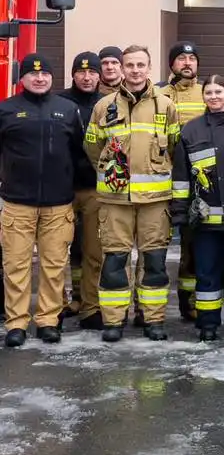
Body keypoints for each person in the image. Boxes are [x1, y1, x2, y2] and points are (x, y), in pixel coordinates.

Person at [84, 45, 182, 343]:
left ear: (149, 68)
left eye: (141, 65)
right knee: (115, 261)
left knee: (153, 261)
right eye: (130, 65)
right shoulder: (104, 106)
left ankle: (152, 319)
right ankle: (114, 321)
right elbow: (92, 147)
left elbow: (175, 149)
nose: (135, 70)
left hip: (155, 202)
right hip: (115, 202)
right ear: (121, 69)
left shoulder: (166, 106)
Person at [0, 54, 81, 347]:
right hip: (17, 203)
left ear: (52, 77)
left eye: (45, 73)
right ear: (21, 79)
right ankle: (17, 323)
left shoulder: (68, 110)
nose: (39, 78)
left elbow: (79, 152)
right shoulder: (6, 110)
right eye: (33, 74)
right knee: (16, 265)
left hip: (58, 204)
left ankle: (48, 320)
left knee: (54, 265)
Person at [170, 76, 224, 342]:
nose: (214, 97)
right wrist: (181, 214)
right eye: (209, 92)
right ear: (203, 96)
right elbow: (182, 178)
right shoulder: (190, 130)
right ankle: (207, 325)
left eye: (219, 91)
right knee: (206, 274)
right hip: (205, 222)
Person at [158, 41, 205, 322]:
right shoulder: (157, 94)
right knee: (155, 248)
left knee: (191, 247)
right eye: (181, 59)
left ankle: (190, 303)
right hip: (158, 181)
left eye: (192, 58)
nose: (187, 63)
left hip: (194, 183)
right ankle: (149, 307)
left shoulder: (206, 92)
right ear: (171, 64)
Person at [59, 51, 105, 332]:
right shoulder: (59, 103)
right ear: (73, 74)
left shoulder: (107, 104)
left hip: (93, 189)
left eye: (92, 72)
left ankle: (91, 307)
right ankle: (57, 305)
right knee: (57, 253)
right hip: (60, 189)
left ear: (100, 76)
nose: (87, 77)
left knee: (93, 252)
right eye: (81, 72)